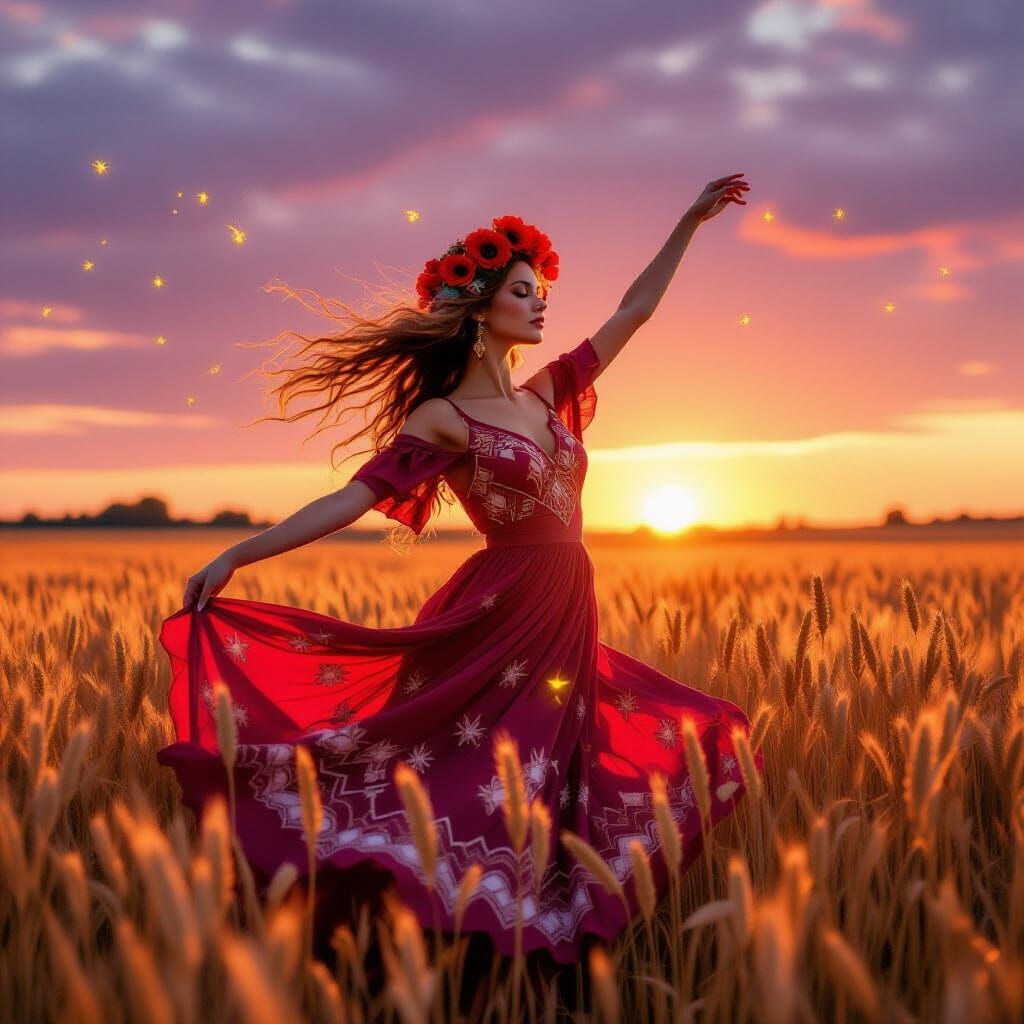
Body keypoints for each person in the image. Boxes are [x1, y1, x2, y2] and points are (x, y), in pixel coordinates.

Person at [157, 175, 758, 967]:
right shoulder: (444, 417)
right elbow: (351, 498)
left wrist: (688, 222)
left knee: (562, 773)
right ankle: (458, 940)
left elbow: (633, 313)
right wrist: (237, 553)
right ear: (479, 310)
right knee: (489, 772)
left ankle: (527, 947)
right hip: (501, 615)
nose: (540, 304)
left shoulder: (549, 395)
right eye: (522, 292)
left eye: (541, 292)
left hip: (565, 610)